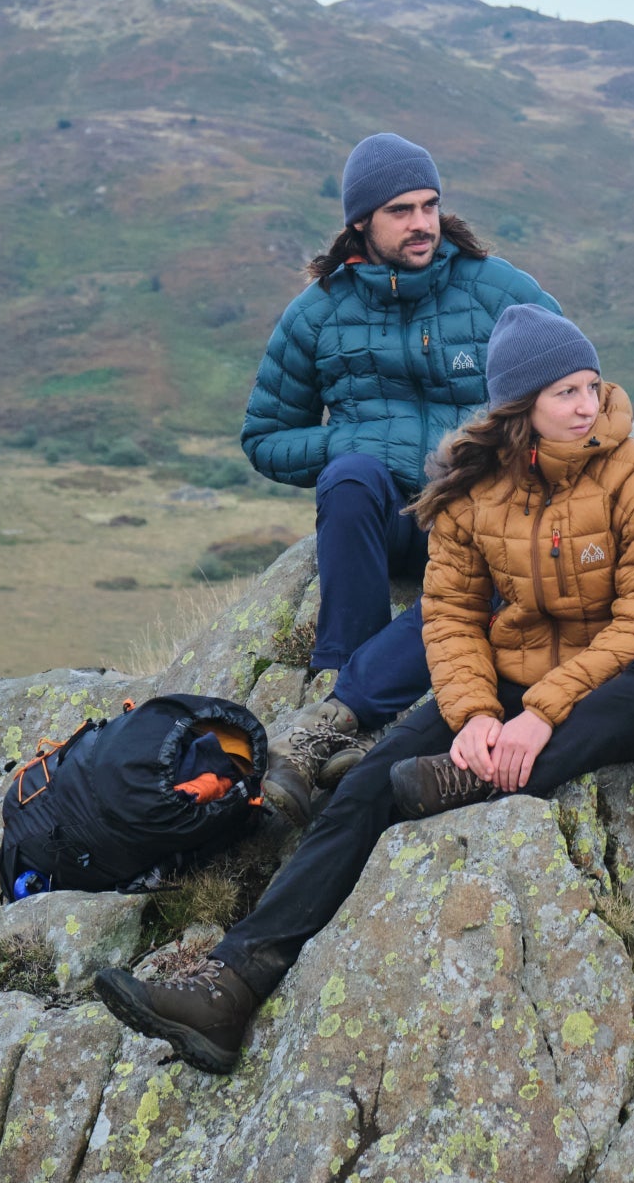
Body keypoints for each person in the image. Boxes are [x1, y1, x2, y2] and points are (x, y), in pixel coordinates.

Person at [96, 306, 634, 1074]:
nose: (588, 405)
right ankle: (230, 984)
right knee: (362, 789)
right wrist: (477, 714)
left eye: (591, 385)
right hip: (508, 682)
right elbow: (451, 615)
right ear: (520, 405)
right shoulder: (470, 490)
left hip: (609, 683)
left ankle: (476, 782)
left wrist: (540, 720)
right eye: (565, 392)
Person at [239, 131, 561, 820]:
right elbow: (265, 438)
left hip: (479, 521)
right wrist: (357, 441)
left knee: (511, 572)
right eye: (400, 211)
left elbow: (568, 392)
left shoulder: (499, 292)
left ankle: (340, 722)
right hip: (390, 521)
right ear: (361, 222)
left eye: (430, 205)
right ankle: (344, 702)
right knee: (349, 477)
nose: (422, 223)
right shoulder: (319, 312)